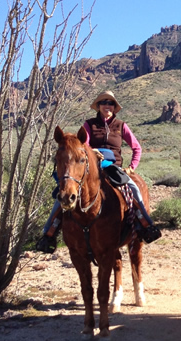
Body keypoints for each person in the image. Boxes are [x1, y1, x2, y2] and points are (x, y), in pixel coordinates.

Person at [35, 91, 161, 253]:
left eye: (111, 103)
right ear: (99, 106)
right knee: (62, 193)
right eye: (104, 103)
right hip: (92, 166)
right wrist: (91, 152)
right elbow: (83, 146)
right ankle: (49, 233)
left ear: (114, 107)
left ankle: (146, 225)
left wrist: (131, 167)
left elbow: (137, 147)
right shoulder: (89, 124)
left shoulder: (121, 125)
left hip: (113, 166)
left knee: (133, 188)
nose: (107, 106)